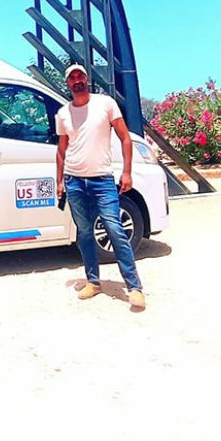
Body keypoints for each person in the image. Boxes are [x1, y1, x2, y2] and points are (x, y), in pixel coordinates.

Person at [56, 64, 146, 309]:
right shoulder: (63, 113)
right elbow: (62, 150)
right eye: (72, 78)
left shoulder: (105, 103)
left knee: (115, 229)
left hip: (102, 180)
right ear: (68, 83)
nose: (77, 80)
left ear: (87, 79)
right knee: (84, 232)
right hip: (74, 181)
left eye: (80, 76)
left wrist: (127, 172)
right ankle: (93, 282)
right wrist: (60, 180)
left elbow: (125, 137)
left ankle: (134, 287)